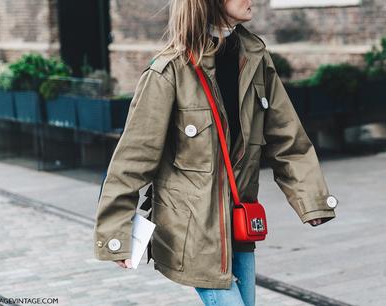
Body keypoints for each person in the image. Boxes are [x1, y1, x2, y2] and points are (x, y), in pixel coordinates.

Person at [93, 0, 338, 305]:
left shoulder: (255, 58)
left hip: (240, 223)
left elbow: (287, 137)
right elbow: (133, 158)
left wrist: (311, 200)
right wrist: (115, 231)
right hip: (193, 233)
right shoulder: (170, 70)